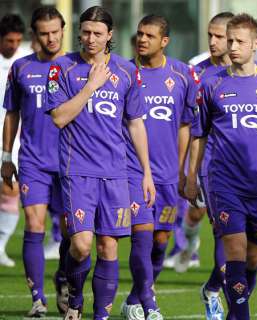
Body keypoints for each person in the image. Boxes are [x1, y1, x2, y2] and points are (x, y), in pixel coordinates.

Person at [45, 6, 155, 320]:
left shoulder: (126, 72)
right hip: (77, 171)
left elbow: (135, 123)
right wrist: (90, 87)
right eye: (85, 32)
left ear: (110, 36)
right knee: (80, 245)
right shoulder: (62, 69)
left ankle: (100, 316)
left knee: (109, 248)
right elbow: (58, 118)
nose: (90, 39)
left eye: (97, 33)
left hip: (116, 174)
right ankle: (76, 299)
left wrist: (146, 173)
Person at [185, 13, 257, 320]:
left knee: (253, 256)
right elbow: (198, 134)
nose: (231, 46)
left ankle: (228, 304)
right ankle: (240, 316)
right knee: (235, 252)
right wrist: (191, 176)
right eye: (229, 40)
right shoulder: (211, 83)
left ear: (256, 44)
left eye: (239, 41)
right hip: (223, 181)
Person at [120, 14, 197, 320]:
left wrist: (181, 170)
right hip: (131, 172)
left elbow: (185, 127)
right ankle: (150, 305)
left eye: (149, 36)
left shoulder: (182, 75)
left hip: (167, 174)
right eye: (139, 34)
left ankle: (134, 299)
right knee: (142, 233)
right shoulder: (124, 72)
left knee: (160, 240)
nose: (142, 39)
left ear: (164, 41)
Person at [1, 7, 70, 316]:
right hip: (33, 162)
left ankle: (64, 278)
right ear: (34, 35)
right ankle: (37, 299)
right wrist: (6, 156)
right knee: (34, 225)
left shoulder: (77, 67)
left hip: (73, 163)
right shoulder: (21, 69)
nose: (51, 38)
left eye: (56, 31)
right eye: (44, 33)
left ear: (63, 30)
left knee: (73, 233)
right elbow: (12, 114)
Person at [180, 11, 234, 320]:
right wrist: (189, 172)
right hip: (211, 167)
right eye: (210, 35)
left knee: (251, 244)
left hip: (249, 168)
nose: (213, 42)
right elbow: (186, 127)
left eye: (219, 36)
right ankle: (228, 303)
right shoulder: (195, 75)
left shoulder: (255, 75)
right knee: (225, 234)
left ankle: (212, 287)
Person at [0, 13, 32, 268]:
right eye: (9, 40)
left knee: (10, 193)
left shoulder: (23, 62)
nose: (13, 45)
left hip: (12, 139)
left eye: (17, 40)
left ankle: (0, 247)